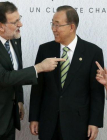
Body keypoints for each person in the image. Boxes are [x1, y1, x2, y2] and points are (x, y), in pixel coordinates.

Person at [29, 5, 105, 140]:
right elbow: (38, 87)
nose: (53, 29)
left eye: (57, 25)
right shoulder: (45, 50)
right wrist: (34, 118)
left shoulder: (93, 52)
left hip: (77, 124)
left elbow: (96, 91)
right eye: (52, 24)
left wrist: (95, 122)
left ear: (71, 27)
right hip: (48, 122)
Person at [0, 2, 65, 140]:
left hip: (9, 118)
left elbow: (16, 71)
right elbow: (4, 77)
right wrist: (39, 67)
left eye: (20, 18)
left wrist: (19, 99)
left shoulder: (14, 40)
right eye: (15, 21)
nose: (20, 24)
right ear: (1, 26)